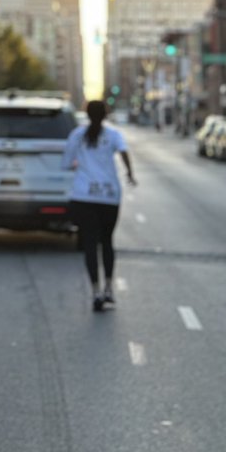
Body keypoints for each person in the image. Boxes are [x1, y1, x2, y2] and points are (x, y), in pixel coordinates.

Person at [62, 99, 137, 311]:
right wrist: (130, 174)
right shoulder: (113, 134)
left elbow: (66, 163)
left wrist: (80, 164)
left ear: (86, 114)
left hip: (84, 195)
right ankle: (109, 288)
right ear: (106, 114)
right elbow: (124, 153)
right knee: (107, 242)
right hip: (109, 195)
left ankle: (95, 291)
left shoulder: (77, 135)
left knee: (90, 244)